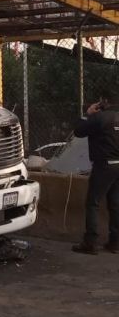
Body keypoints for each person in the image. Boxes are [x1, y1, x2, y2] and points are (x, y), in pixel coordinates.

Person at [72, 89, 119, 255]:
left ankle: (90, 242)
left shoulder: (99, 118)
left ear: (103, 102)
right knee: (115, 203)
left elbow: (78, 131)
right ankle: (115, 243)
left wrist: (87, 114)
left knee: (93, 202)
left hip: (104, 165)